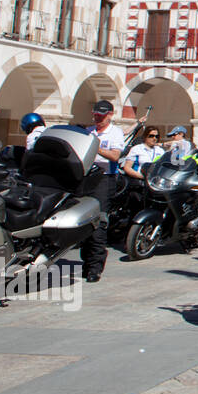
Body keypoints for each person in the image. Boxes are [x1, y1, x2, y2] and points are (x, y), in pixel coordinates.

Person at [82, 101, 125, 282]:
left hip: (104, 178)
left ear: (109, 115)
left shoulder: (115, 133)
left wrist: (95, 146)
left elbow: (115, 155)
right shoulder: (88, 130)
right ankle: (86, 261)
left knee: (98, 222)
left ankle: (95, 266)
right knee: (82, 222)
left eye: (101, 116)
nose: (97, 119)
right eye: (95, 116)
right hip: (85, 177)